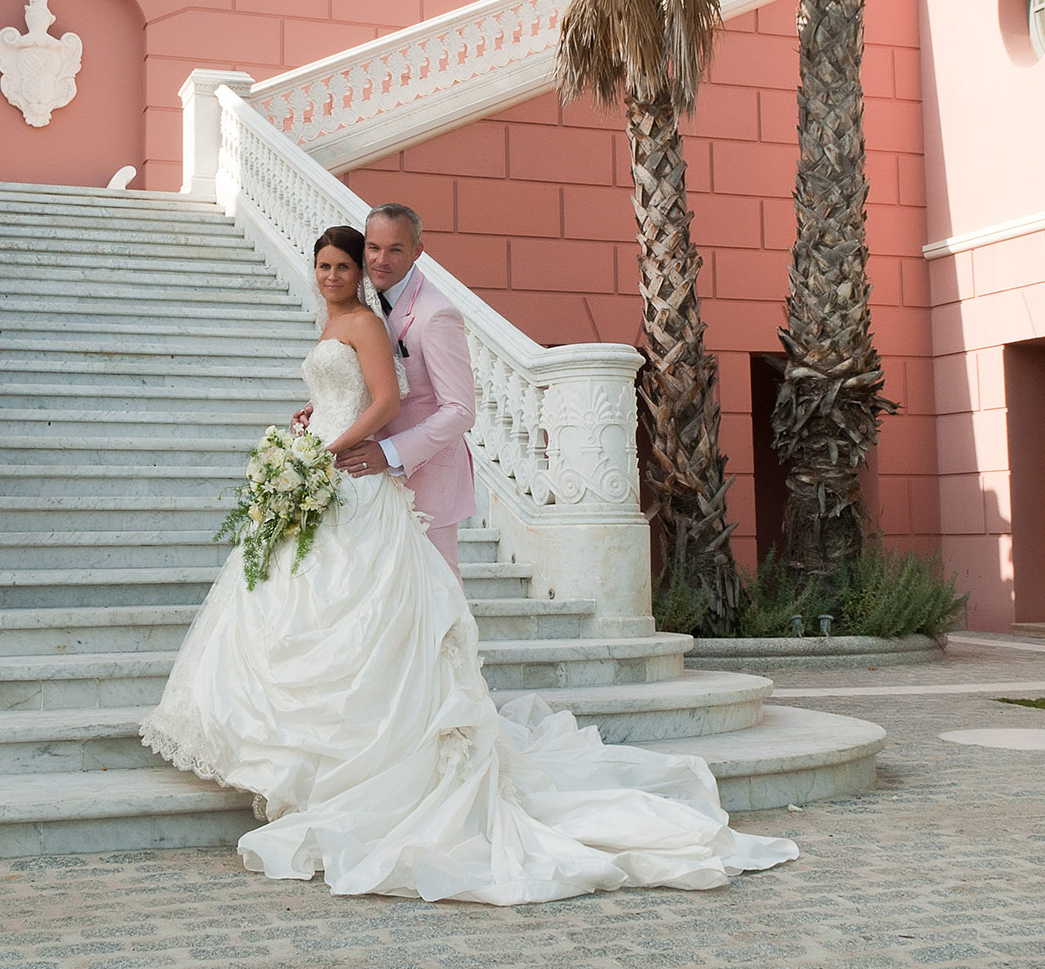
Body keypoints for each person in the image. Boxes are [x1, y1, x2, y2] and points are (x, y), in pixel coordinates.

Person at [140, 224, 798, 906]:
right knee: (307, 605)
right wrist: (316, 423)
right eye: (333, 263)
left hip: (370, 472)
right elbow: (368, 391)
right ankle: (301, 745)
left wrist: (337, 448)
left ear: (403, 255)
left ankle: (384, 755)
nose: (343, 271)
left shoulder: (410, 314)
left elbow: (434, 406)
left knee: (387, 619)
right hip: (344, 465)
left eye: (352, 262)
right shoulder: (364, 315)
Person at [313, 204, 475, 577]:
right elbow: (366, 372)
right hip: (367, 478)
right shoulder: (363, 300)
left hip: (424, 476)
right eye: (373, 248)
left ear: (417, 250)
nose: (380, 260)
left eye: (395, 249)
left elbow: (461, 410)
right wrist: (320, 404)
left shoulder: (437, 314)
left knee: (435, 595)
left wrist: (389, 452)